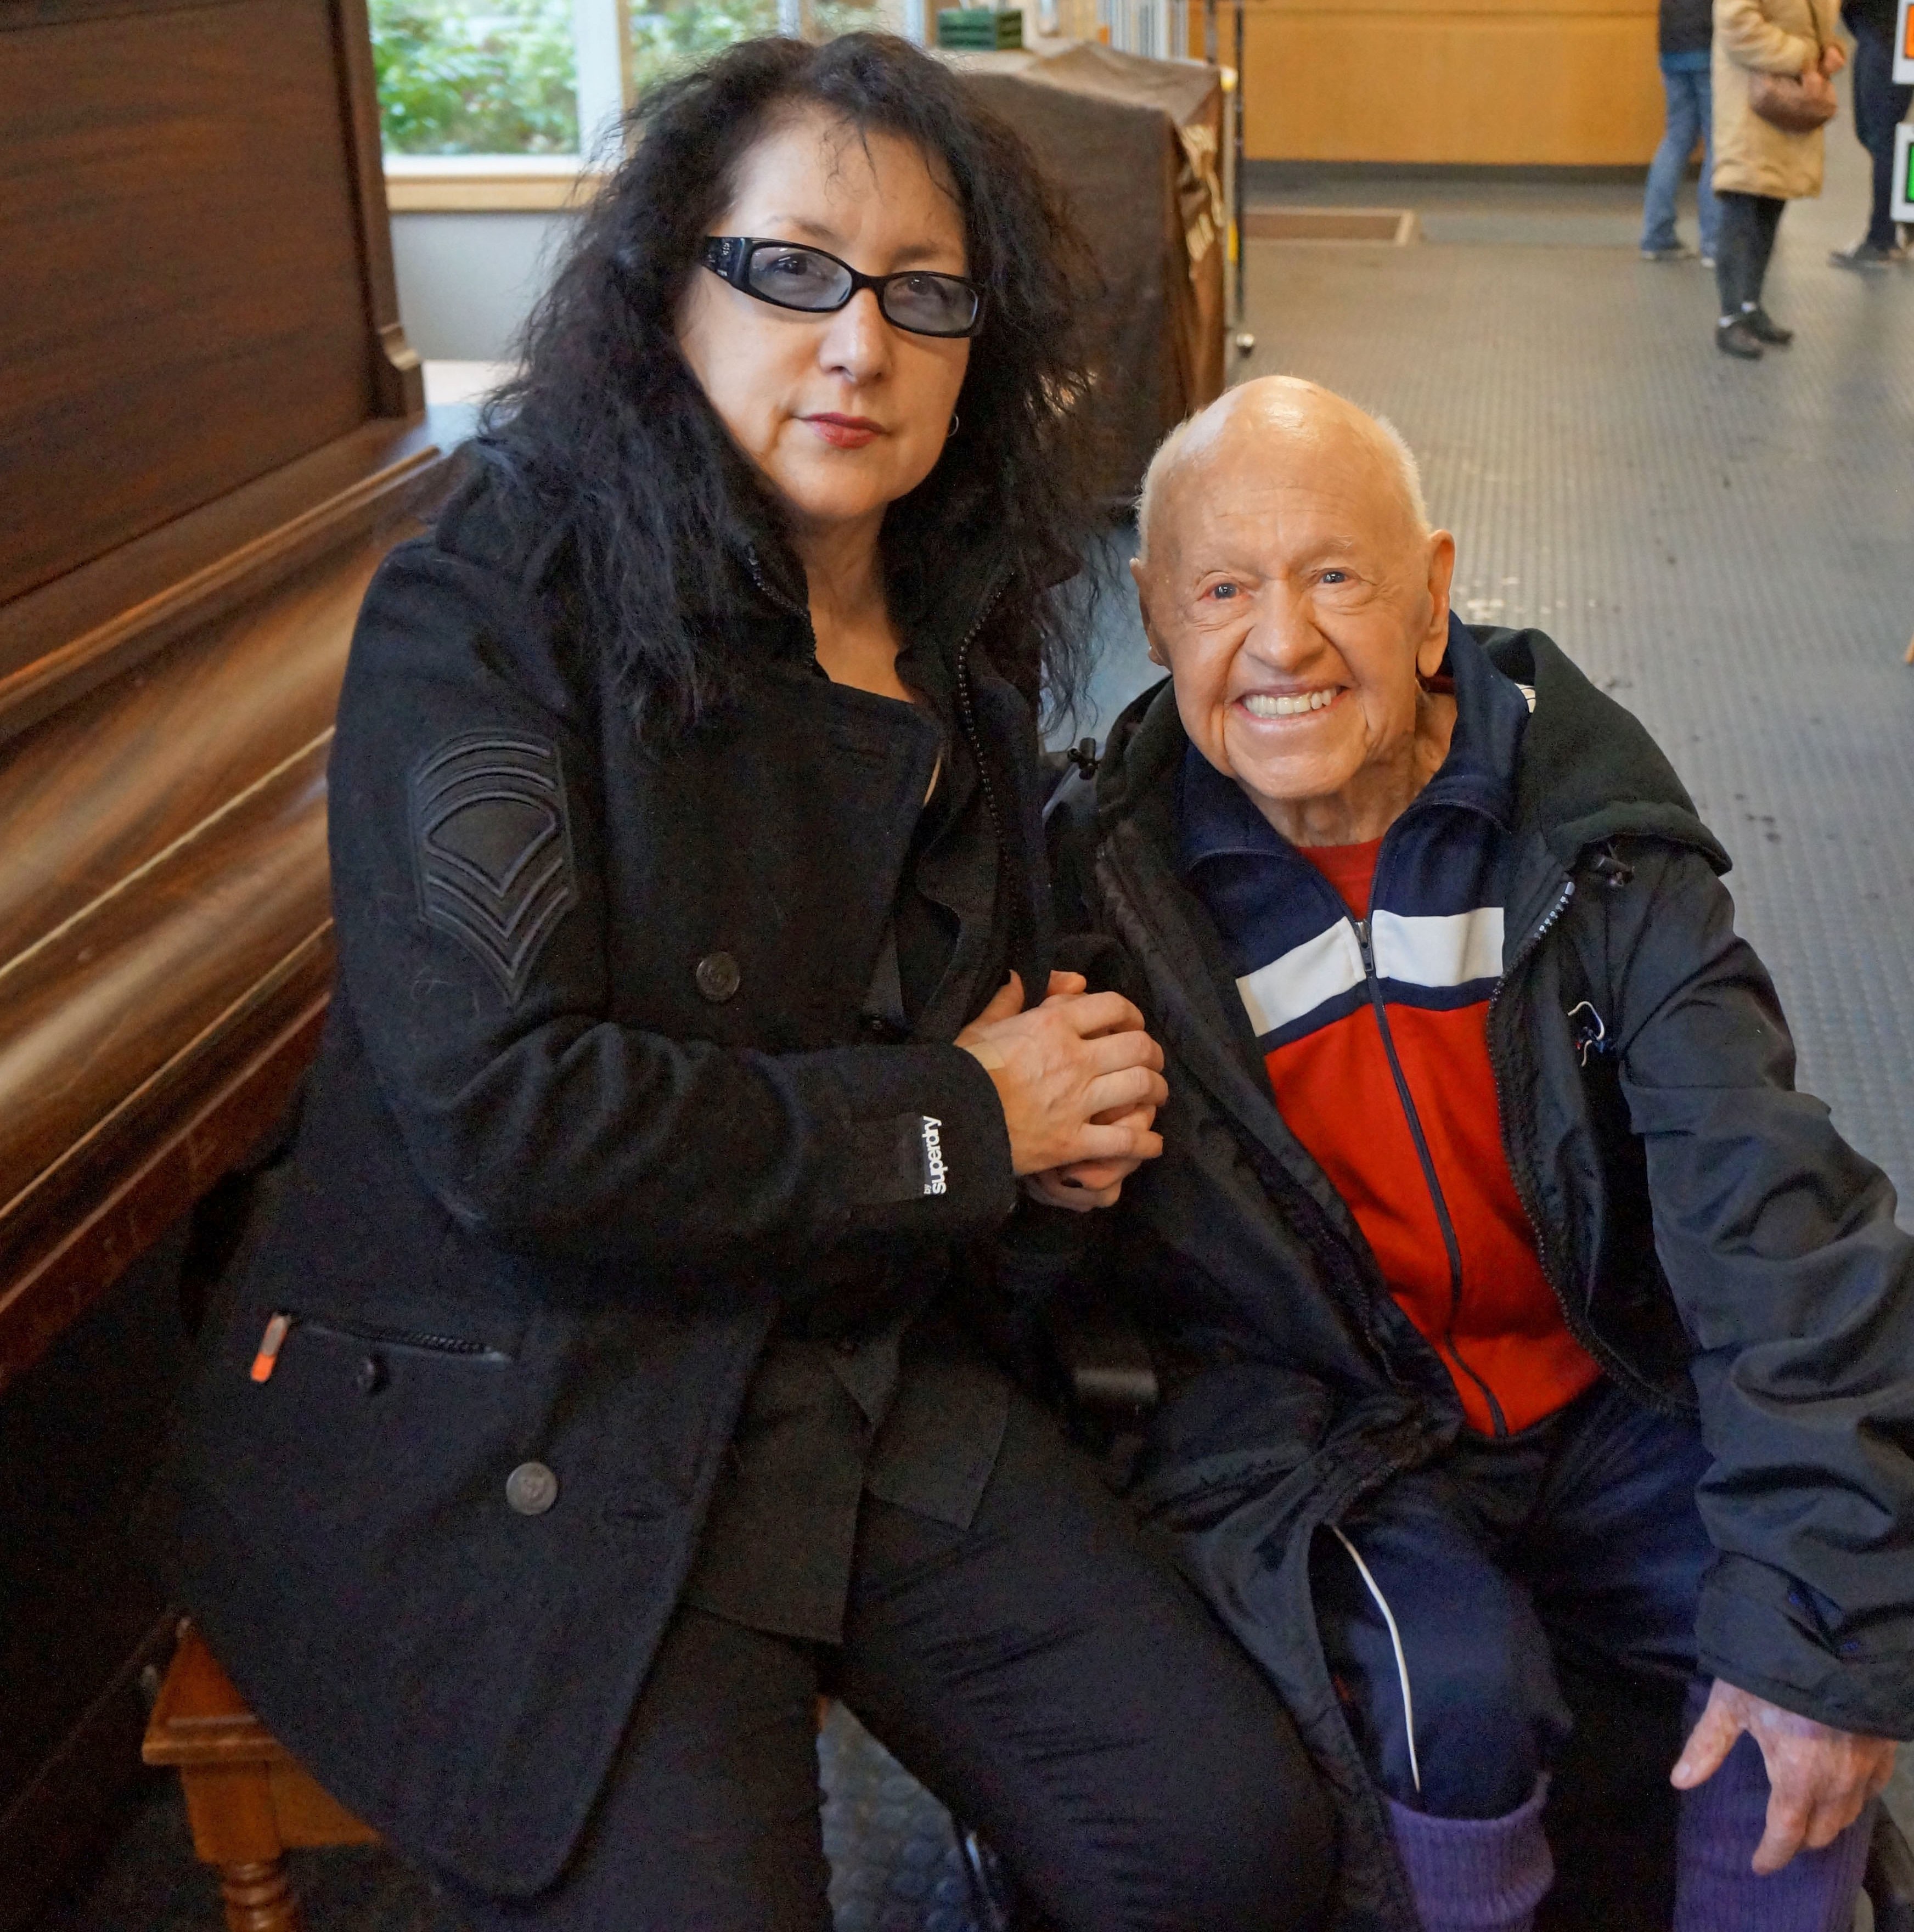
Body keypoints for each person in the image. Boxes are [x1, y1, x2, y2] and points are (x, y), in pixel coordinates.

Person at [167, 39, 1337, 1932]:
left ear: (985, 343)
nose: (857, 344)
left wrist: (1062, 1135)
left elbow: (955, 1023)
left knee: (1225, 1845)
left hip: (832, 1362)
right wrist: (969, 1122)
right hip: (534, 1396)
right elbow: (515, 1123)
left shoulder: (954, 622)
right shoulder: (493, 601)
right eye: (789, 269)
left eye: (922, 294)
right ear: (669, 287)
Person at [1037, 376, 1914, 1932]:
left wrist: (1822, 1628)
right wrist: (1042, 1188)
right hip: (1333, 1423)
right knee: (1454, 1696)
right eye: (1225, 589)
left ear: (1434, 594)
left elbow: (1777, 1213)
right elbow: (1034, 1283)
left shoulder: (1596, 847)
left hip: (1599, 1378)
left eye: (1336, 577)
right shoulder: (1105, 894)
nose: (1284, 642)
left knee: (1786, 1622)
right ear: (1157, 617)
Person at [1712, 0, 1848, 357]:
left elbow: (1818, 25)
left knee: (1771, 207)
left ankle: (1752, 306)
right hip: (1750, 100)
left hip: (1788, 103)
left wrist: (1831, 49)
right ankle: (1730, 319)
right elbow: (1737, 23)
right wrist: (1803, 56)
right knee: (1742, 204)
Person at [1830, 0, 1913, 267]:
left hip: (1890, 38)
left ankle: (1881, 239)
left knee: (1884, 139)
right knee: (1875, 135)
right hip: (1885, 35)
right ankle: (1908, 219)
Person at [1643, 0, 1724, 262]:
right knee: (1718, 144)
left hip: (1672, 46)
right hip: (1709, 46)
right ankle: (1714, 244)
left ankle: (1657, 236)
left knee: (1676, 140)